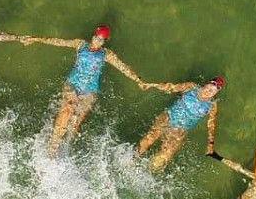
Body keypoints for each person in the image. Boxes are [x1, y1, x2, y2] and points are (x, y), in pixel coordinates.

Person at [27, 25, 158, 155]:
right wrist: (35, 39)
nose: (97, 41)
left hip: (90, 91)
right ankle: (52, 147)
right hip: (73, 83)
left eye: (101, 40)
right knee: (67, 109)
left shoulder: (106, 54)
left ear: (104, 42)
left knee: (74, 125)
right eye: (96, 37)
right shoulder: (80, 45)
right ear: (93, 36)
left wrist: (138, 80)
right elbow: (58, 41)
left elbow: (123, 67)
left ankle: (64, 150)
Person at [136, 77, 222, 172]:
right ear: (206, 84)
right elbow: (171, 87)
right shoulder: (191, 87)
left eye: (213, 91)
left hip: (180, 131)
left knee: (166, 155)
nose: (209, 91)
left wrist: (210, 144)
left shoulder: (212, 105)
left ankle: (146, 171)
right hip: (168, 118)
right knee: (150, 138)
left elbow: (211, 125)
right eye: (210, 87)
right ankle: (134, 158)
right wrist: (150, 85)